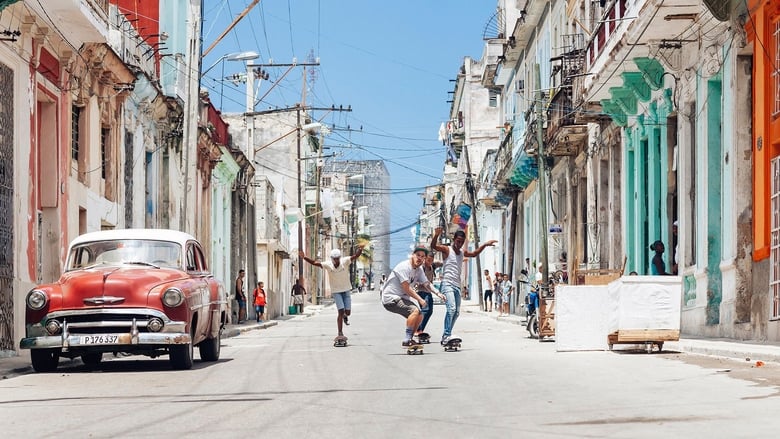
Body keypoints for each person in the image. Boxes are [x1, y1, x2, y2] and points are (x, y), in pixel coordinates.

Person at [431, 227, 497, 345]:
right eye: (458, 241)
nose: (459, 244)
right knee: (451, 309)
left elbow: (474, 253)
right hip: (447, 284)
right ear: (454, 239)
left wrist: (485, 244)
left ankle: (447, 334)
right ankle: (446, 335)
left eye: (462, 242)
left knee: (456, 312)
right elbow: (434, 246)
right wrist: (436, 235)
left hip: (457, 286)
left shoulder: (462, 253)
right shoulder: (447, 249)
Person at [382, 246, 444, 347]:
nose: (419, 258)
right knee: (414, 311)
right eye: (418, 255)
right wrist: (420, 299)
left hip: (401, 298)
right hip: (390, 298)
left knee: (420, 315)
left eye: (422, 257)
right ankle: (407, 339)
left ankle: (410, 338)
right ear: (412, 255)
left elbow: (426, 283)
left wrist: (438, 293)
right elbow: (407, 288)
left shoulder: (419, 270)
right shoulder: (404, 267)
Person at [300, 245, 364, 339]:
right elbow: (314, 263)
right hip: (336, 291)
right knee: (340, 312)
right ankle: (340, 332)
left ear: (340, 258)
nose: (336, 261)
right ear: (332, 259)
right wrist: (304, 257)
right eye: (335, 259)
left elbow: (355, 256)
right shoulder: (328, 264)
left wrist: (360, 250)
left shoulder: (345, 261)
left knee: (348, 312)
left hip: (346, 290)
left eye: (338, 259)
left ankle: (345, 316)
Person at [415, 250, 437, 337]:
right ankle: (418, 329)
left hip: (428, 291)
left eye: (431, 260)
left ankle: (420, 330)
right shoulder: (421, 268)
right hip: (421, 292)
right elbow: (416, 279)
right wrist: (421, 283)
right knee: (425, 310)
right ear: (424, 259)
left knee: (430, 311)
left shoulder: (432, 267)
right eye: (428, 260)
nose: (430, 262)